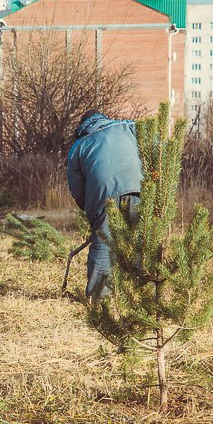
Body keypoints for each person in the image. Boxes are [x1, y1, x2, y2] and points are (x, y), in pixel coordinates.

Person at [66, 109, 142, 301]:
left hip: (104, 193)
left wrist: (92, 214)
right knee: (141, 240)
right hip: (138, 186)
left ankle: (99, 298)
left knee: (103, 242)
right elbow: (154, 146)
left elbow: (78, 189)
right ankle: (143, 293)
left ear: (82, 127)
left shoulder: (79, 145)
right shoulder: (128, 127)